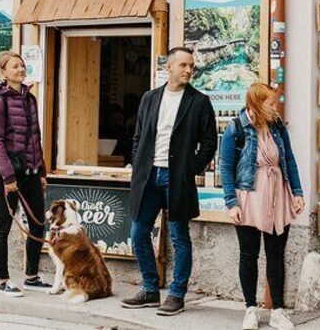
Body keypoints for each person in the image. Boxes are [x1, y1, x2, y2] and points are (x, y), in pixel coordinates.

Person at [122, 47, 217, 316]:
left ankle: (176, 294)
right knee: (138, 233)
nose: (189, 70)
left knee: (179, 236)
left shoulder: (199, 101)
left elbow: (210, 142)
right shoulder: (150, 98)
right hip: (148, 175)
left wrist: (191, 169)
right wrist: (138, 163)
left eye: (192, 66)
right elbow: (139, 136)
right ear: (170, 67)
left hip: (177, 177)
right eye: (184, 65)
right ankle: (150, 289)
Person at [219, 83, 305, 330]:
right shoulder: (235, 129)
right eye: (269, 103)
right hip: (248, 196)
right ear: (256, 104)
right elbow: (226, 167)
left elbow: (289, 158)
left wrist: (297, 192)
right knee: (248, 254)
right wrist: (231, 203)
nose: (274, 106)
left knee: (276, 254)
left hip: (278, 194)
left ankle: (278, 310)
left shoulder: (277, 126)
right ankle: (250, 309)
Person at [0, 51, 50, 297]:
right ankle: (3, 280)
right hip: (7, 175)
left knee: (38, 224)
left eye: (22, 65)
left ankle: (31, 276)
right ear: (3, 72)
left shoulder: (30, 99)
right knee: (3, 226)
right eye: (15, 66)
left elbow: (36, 137)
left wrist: (42, 170)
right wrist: (8, 177)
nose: (21, 69)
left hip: (31, 172)